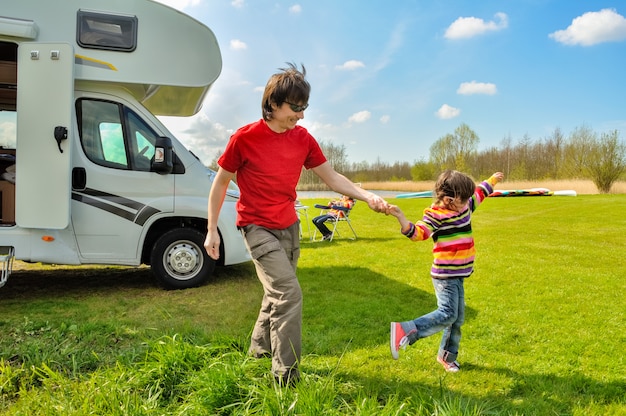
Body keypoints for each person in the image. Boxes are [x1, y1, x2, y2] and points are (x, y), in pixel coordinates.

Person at [204, 63, 389, 385]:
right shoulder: (244, 139)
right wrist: (210, 231)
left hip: (289, 226)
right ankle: (285, 377)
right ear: (273, 104)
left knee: (276, 294)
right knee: (288, 293)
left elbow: (331, 177)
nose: (301, 115)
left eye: (304, 108)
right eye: (296, 107)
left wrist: (365, 195)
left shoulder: (303, 139)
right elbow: (220, 184)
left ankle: (257, 353)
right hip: (256, 226)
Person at [387, 170, 504, 372]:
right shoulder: (436, 215)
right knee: (448, 313)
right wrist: (401, 218)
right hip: (445, 277)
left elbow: (480, 192)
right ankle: (405, 329)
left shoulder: (465, 205)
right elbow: (419, 233)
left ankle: (446, 357)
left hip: (459, 275)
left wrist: (492, 179)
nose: (468, 200)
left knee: (457, 319)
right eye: (463, 198)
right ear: (449, 199)